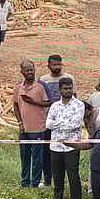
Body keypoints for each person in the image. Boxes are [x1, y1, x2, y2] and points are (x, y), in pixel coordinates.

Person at [46, 77, 86, 199]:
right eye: (65, 88)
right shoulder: (54, 106)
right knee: (57, 177)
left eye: (70, 88)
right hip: (55, 146)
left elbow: (75, 125)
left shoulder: (79, 105)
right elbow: (48, 124)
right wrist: (63, 125)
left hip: (71, 147)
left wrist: (57, 125)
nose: (68, 91)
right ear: (60, 90)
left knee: (73, 177)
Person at [13, 61, 51, 188]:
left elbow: (49, 102)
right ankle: (24, 182)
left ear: (35, 70)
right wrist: (20, 123)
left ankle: (35, 184)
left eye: (31, 70)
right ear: (22, 72)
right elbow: (16, 105)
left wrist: (34, 102)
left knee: (37, 158)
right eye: (27, 70)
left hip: (38, 128)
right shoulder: (18, 86)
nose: (30, 73)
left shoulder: (41, 85)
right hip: (23, 129)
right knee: (24, 157)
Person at [41, 54, 76, 187]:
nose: (57, 67)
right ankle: (48, 179)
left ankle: (67, 181)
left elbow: (75, 99)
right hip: (49, 121)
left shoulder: (69, 78)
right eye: (54, 64)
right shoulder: (44, 80)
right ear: (48, 65)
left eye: (59, 64)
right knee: (48, 152)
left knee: (68, 152)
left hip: (68, 124)